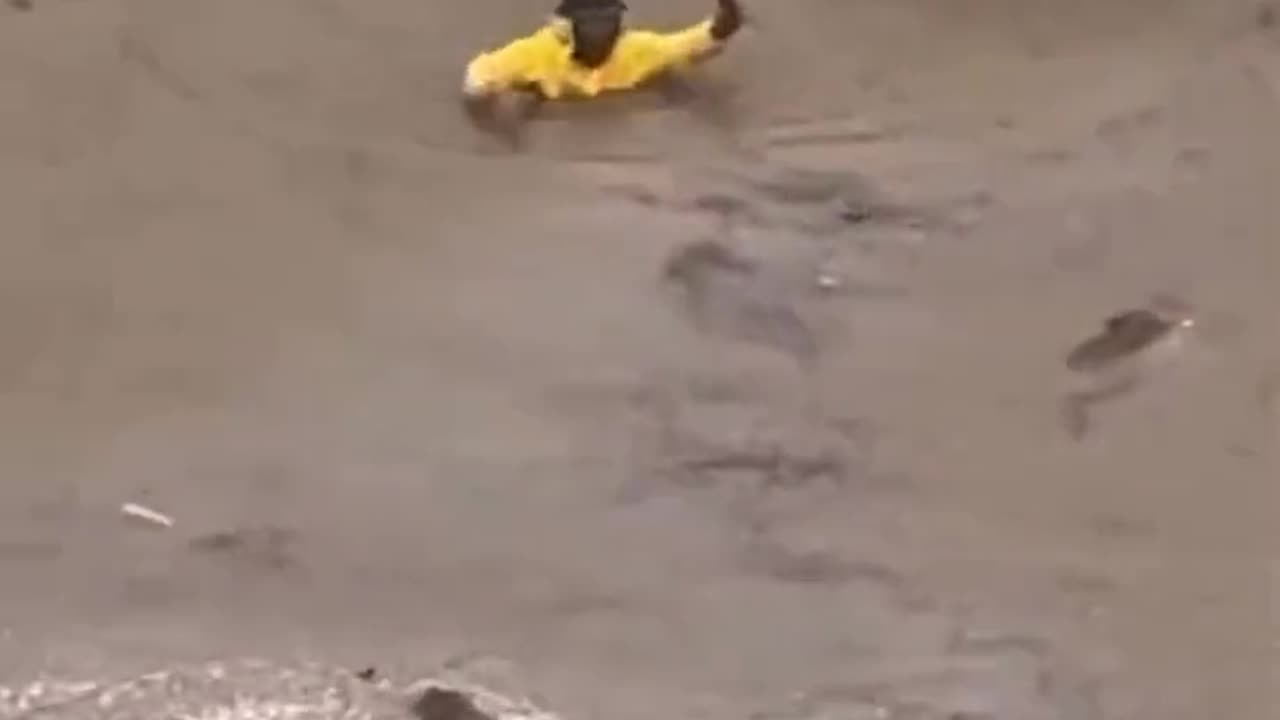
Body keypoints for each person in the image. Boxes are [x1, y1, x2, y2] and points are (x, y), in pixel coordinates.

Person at [461, 0, 745, 144]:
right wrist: (493, 119)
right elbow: (479, 74)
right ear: (567, 29)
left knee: (681, 86)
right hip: (548, 102)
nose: (600, 35)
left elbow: (690, 44)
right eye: (590, 25)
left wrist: (725, 24)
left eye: (607, 24)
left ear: (619, 26)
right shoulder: (536, 52)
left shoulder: (635, 49)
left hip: (616, 109)